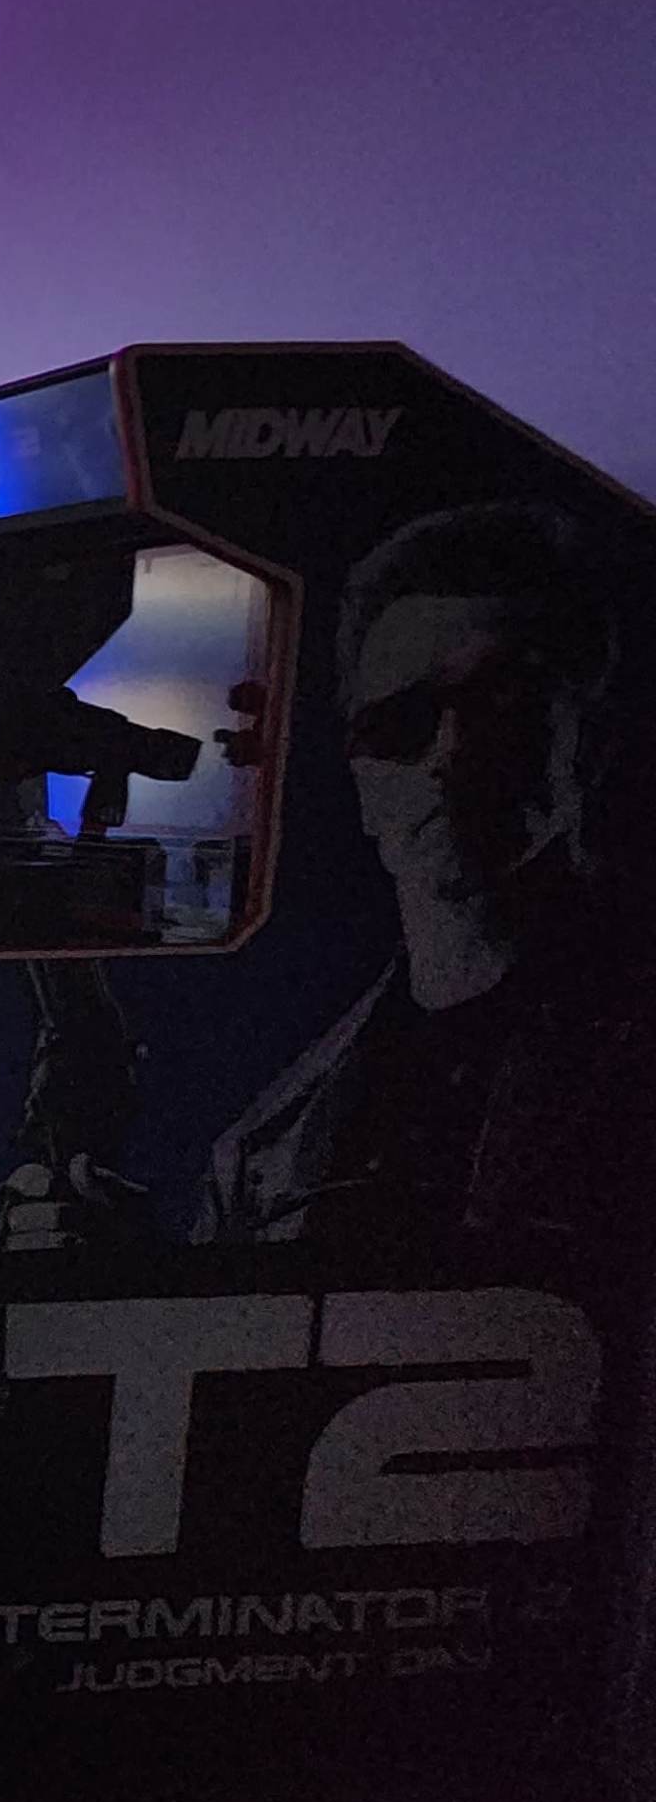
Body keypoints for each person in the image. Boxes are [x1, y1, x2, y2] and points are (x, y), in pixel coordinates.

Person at [196, 496, 652, 1254]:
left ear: (590, 733)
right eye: (402, 723)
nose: (452, 754)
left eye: (508, 703)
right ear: (357, 771)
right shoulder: (269, 1147)